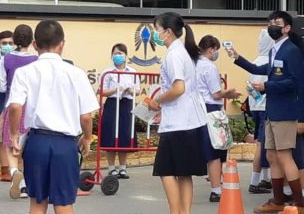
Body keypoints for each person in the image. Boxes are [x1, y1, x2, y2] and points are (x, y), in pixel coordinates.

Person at [7, 20, 99, 213]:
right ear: (62, 43)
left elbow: (15, 106)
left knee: (37, 203)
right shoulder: (76, 73)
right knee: (64, 202)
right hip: (65, 144)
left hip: (37, 142)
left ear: (35, 44)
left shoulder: (25, 72)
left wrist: (14, 135)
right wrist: (88, 138)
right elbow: (86, 116)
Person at [227, 11, 304, 214]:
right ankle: (278, 200)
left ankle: (299, 204)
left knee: (284, 156)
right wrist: (237, 58)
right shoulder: (275, 51)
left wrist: (267, 87)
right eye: (270, 22)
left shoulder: (292, 51)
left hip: (285, 112)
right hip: (272, 112)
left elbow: (296, 83)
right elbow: (259, 68)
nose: (272, 25)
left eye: (277, 23)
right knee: (272, 156)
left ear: (287, 28)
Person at [148, 12, 207, 214]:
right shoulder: (183, 52)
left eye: (157, 30)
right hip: (189, 121)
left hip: (177, 123)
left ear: (168, 32)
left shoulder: (173, 54)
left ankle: (175, 211)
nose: (156, 34)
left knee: (166, 171)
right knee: (184, 173)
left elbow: (178, 88)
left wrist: (157, 100)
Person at [196, 35, 241, 202]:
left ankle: (215, 183)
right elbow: (215, 93)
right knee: (215, 150)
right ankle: (216, 189)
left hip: (196, 109)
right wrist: (229, 93)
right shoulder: (209, 67)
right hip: (212, 110)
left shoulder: (193, 64)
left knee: (205, 148)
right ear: (211, 49)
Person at [0, 24, 38, 199]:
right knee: (26, 149)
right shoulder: (37, 60)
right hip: (31, 109)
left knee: (10, 144)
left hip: (13, 105)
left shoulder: (5, 59)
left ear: (14, 40)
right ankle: (25, 185)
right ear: (32, 41)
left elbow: (2, 85)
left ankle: (15, 172)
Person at [282, 32, 304, 205]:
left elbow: (301, 94)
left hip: (294, 116)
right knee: (285, 155)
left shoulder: (299, 66)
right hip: (285, 115)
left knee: (298, 157)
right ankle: (289, 191)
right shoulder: (289, 63)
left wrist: (301, 119)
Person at [100, 43, 140, 179]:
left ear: (126, 56)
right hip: (112, 103)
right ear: (112, 56)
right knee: (111, 135)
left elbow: (138, 90)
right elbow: (102, 91)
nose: (118, 56)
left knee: (124, 134)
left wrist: (129, 89)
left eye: (121, 53)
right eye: (115, 53)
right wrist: (115, 89)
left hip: (127, 104)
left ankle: (123, 167)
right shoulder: (107, 72)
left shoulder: (132, 71)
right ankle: (111, 168)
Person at [247, 28, 273, 194]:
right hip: (266, 109)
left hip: (255, 107)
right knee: (263, 145)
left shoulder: (255, 62)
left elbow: (251, 90)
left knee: (263, 143)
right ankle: (254, 181)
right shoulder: (270, 63)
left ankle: (265, 178)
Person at [0, 30, 13, 182]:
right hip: (1, 96)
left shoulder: (14, 59)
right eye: (4, 43)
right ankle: (4, 169)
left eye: (10, 43)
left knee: (8, 135)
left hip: (10, 98)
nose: (7, 46)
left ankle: (9, 169)